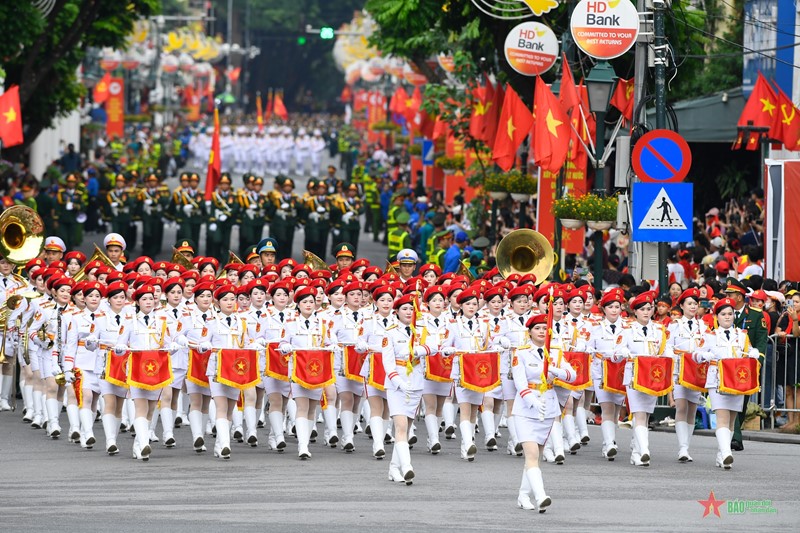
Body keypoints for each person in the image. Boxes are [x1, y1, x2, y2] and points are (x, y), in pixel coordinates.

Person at [512, 314, 576, 512]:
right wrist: (532, 401)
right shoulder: (521, 353)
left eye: (543, 328)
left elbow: (572, 375)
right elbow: (520, 383)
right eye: (537, 328)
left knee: (535, 456)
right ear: (529, 332)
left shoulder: (555, 352)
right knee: (531, 453)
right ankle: (541, 496)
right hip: (526, 408)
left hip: (548, 406)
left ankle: (523, 495)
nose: (541, 332)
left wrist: (555, 370)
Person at [114, 285, 179, 461]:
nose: (148, 302)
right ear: (137, 302)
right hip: (137, 369)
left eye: (151, 298)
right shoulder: (130, 321)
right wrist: (120, 348)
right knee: (141, 407)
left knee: (151, 409)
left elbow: (167, 344)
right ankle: (144, 444)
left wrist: (173, 346)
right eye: (144, 299)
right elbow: (120, 344)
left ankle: (138, 445)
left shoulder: (161, 321)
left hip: (156, 369)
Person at [696, 298, 760, 469]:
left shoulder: (742, 335)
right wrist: (703, 356)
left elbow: (748, 351)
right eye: (723, 314)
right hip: (717, 380)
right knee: (722, 417)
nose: (727, 317)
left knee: (732, 419)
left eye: (730, 314)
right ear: (716, 316)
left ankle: (721, 453)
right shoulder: (710, 336)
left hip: (736, 381)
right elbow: (696, 354)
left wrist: (753, 352)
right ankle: (726, 453)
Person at [618, 292, 674, 467]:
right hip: (634, 376)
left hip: (652, 376)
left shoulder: (659, 330)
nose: (646, 312)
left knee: (645, 414)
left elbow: (665, 350)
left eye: (649, 309)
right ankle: (644, 451)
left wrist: (670, 357)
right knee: (639, 413)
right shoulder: (627, 329)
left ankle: (636, 452)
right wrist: (624, 352)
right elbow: (618, 349)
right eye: (642, 309)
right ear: (635, 311)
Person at [381, 294, 431, 484]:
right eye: (405, 309)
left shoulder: (421, 330)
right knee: (400, 426)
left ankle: (394, 468)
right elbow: (388, 363)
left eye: (411, 309)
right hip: (397, 385)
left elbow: (435, 345)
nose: (409, 312)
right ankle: (407, 466)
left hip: (415, 382)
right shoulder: (390, 333)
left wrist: (420, 350)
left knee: (406, 428)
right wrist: (398, 382)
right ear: (396, 312)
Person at [724, 277, 767, 450]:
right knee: (730, 400)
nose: (727, 297)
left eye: (730, 294)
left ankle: (734, 433)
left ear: (740, 296)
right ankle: (735, 437)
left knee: (742, 402)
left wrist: (758, 361)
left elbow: (761, 341)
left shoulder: (756, 315)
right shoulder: (724, 313)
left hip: (747, 365)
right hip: (728, 364)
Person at [667, 288, 707, 462]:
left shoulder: (703, 326)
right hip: (679, 369)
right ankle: (682, 447)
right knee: (681, 407)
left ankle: (686, 446)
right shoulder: (674, 325)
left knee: (692, 409)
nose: (693, 306)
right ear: (682, 305)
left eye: (695, 304)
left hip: (696, 370)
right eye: (689, 303)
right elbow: (668, 346)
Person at [588, 288, 628, 460]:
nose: (614, 310)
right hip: (601, 371)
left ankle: (609, 440)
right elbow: (589, 348)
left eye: (617, 306)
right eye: (610, 307)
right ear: (604, 309)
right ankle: (610, 443)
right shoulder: (596, 328)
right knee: (607, 407)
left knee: (616, 409)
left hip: (619, 372)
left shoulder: (628, 327)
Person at [266, 178, 304, 261]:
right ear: (282, 187)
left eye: (289, 186)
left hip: (291, 222)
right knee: (281, 239)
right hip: (280, 222)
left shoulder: (295, 198)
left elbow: (300, 208)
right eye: (285, 186)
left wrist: (299, 221)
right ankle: (279, 258)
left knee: (289, 240)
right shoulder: (277, 197)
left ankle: (287, 258)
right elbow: (272, 209)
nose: (287, 188)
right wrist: (269, 219)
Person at [137, 172, 171, 258]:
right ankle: (146, 250)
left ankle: (153, 252)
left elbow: (166, 200)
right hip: (147, 216)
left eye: (154, 181)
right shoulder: (143, 192)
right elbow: (138, 204)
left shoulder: (161, 191)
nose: (152, 183)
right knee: (147, 233)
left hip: (157, 215)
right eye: (150, 181)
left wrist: (154, 201)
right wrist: (137, 217)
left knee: (156, 234)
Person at [207, 173, 239, 261]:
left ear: (229, 185)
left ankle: (225, 263)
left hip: (228, 223)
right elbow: (212, 209)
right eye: (222, 184)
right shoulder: (215, 195)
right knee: (216, 241)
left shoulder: (233, 196)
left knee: (226, 244)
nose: (224, 186)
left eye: (226, 184)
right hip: (218, 223)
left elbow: (236, 207)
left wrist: (227, 214)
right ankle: (216, 261)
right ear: (220, 185)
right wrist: (212, 221)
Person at [332, 184, 364, 256]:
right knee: (346, 243)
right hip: (345, 226)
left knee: (354, 244)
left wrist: (355, 212)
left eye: (354, 191)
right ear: (347, 192)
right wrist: (337, 226)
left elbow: (362, 209)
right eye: (350, 191)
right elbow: (338, 213)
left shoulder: (358, 201)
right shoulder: (342, 201)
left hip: (355, 226)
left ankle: (353, 259)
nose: (352, 193)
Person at [54, 173, 85, 251]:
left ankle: (69, 254)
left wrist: (76, 206)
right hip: (63, 219)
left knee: (71, 239)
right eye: (69, 182)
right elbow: (57, 206)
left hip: (73, 219)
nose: (71, 184)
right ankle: (64, 253)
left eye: (73, 182)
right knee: (63, 237)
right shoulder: (61, 193)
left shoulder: (79, 194)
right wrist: (56, 219)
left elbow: (83, 206)